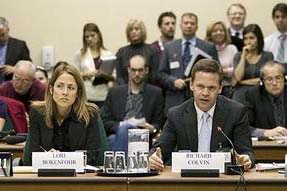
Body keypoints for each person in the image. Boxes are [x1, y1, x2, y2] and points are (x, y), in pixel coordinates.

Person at [150, 58, 254, 171]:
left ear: (220, 88)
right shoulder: (176, 115)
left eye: (211, 88)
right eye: (200, 86)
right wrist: (153, 158)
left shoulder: (236, 112)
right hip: (187, 182)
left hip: (222, 182)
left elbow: (246, 152)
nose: (205, 93)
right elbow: (159, 150)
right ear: (191, 85)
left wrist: (246, 159)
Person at [23, 63, 108, 166]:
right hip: (45, 177)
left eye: (71, 88)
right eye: (60, 86)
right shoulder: (37, 113)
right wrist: (47, 158)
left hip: (80, 178)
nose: (65, 92)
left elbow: (93, 156)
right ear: (51, 89)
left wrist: (59, 160)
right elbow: (32, 156)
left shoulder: (90, 114)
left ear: (78, 93)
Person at [101, 54, 164, 153]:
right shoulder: (114, 92)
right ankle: (125, 166)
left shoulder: (156, 93)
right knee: (119, 134)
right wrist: (123, 125)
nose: (137, 74)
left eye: (140, 70)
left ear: (146, 70)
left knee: (114, 140)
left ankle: (118, 166)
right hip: (118, 133)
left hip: (143, 136)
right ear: (128, 70)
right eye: (134, 70)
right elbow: (104, 121)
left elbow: (159, 123)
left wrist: (153, 128)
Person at [159, 12, 218, 114]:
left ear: (197, 27)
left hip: (202, 98)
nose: (189, 26)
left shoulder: (208, 47)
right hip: (175, 99)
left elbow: (217, 72)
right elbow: (161, 74)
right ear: (181, 25)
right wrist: (173, 81)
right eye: (186, 23)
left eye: (192, 23)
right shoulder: (169, 47)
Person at [75, 23, 116, 105]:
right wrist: (88, 74)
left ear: (98, 35)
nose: (90, 39)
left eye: (92, 35)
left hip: (103, 94)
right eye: (87, 36)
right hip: (87, 95)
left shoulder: (108, 54)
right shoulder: (80, 54)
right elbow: (75, 74)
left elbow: (114, 77)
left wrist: (104, 74)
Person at [232, 24, 273, 104]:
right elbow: (237, 77)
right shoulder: (238, 56)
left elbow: (265, 79)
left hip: (260, 92)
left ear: (258, 39)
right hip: (241, 94)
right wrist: (243, 57)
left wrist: (243, 82)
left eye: (252, 38)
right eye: (245, 39)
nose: (248, 42)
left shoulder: (267, 56)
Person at [245, 61, 287, 137]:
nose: (274, 83)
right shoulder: (253, 95)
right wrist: (265, 133)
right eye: (269, 79)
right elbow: (243, 127)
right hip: (266, 147)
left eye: (278, 78)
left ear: (285, 79)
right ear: (262, 81)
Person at [115, 19, 159, 86]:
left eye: (137, 29)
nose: (133, 32)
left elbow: (155, 76)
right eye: (131, 30)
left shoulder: (152, 50)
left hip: (148, 91)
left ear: (142, 31)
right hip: (126, 92)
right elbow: (119, 77)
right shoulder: (121, 52)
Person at [205, 21, 238, 98]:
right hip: (209, 89)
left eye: (221, 30)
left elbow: (236, 71)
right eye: (215, 31)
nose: (219, 33)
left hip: (228, 89)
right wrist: (226, 71)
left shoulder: (232, 48)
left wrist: (219, 71)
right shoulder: (205, 49)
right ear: (210, 34)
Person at [0, 17, 31, 82]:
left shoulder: (20, 46)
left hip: (13, 85)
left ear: (8, 30)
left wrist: (15, 69)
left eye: (2, 35)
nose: (0, 38)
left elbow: (29, 67)